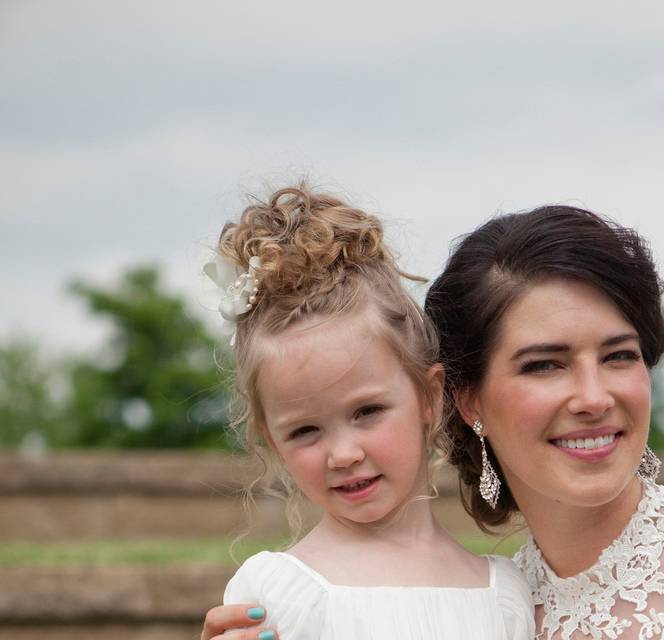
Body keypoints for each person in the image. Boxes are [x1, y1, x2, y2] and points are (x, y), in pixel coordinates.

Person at [205, 203, 664, 640]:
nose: (592, 395)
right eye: (545, 364)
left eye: (618, 356)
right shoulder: (502, 602)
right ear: (465, 398)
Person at [199, 184, 534, 640]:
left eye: (367, 411)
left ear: (430, 396)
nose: (342, 454)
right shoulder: (276, 593)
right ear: (270, 438)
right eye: (304, 431)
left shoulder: (504, 593)